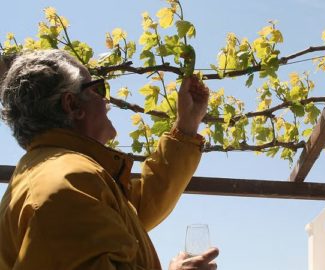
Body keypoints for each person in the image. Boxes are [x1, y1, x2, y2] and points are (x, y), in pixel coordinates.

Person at [0, 49, 219, 269]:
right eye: (97, 89)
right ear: (73, 105)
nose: (107, 102)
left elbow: (135, 208)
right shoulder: (68, 183)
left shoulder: (57, 175)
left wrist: (187, 125)